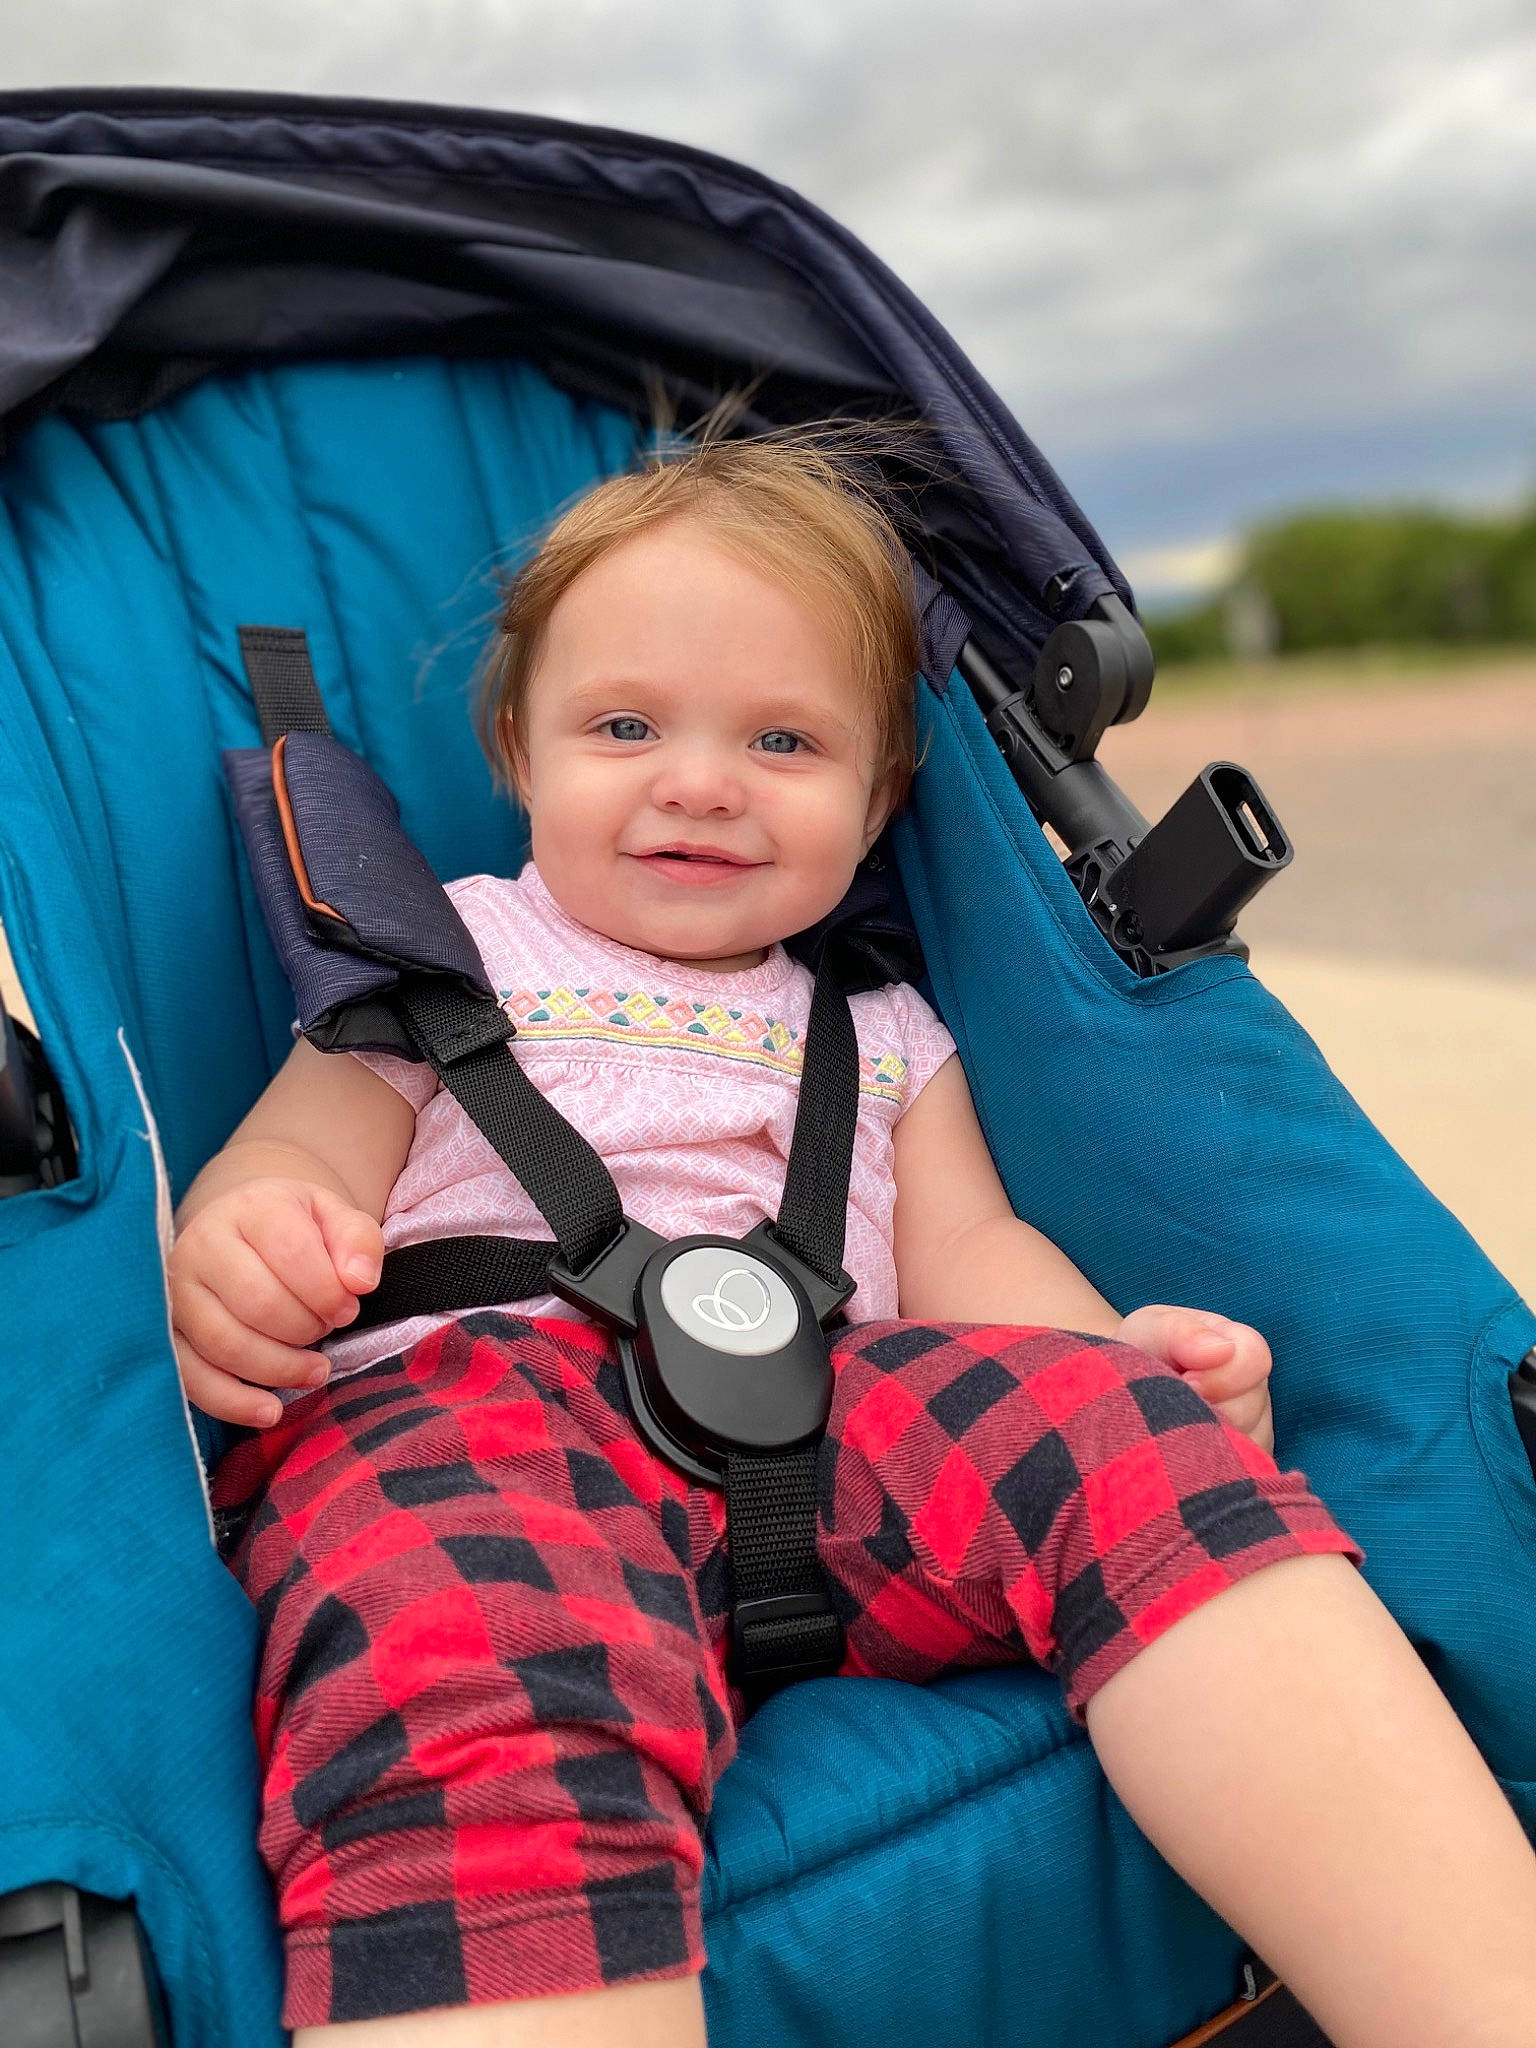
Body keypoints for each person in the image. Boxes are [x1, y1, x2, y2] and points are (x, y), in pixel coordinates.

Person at [174, 437, 1536, 2048]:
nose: (700, 782)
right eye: (625, 728)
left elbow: (975, 1265)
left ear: (883, 795)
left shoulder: (885, 1032)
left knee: (1133, 1455)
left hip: (835, 1419)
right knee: (463, 1634)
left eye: (785, 740)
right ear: (517, 753)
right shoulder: (437, 953)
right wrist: (247, 1245)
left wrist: (1129, 1372)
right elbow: (282, 1162)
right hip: (481, 1419)